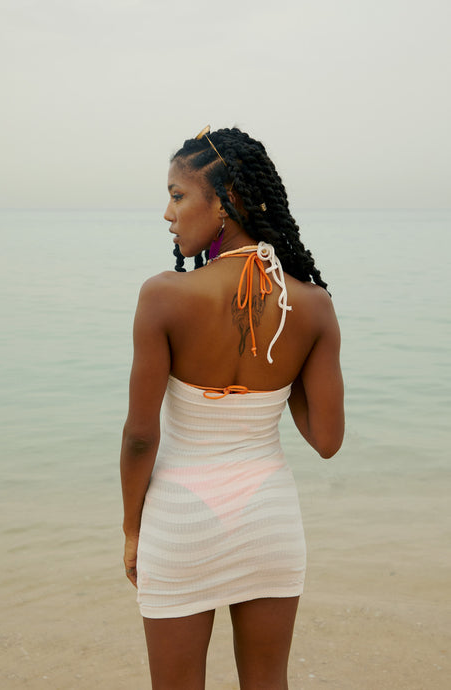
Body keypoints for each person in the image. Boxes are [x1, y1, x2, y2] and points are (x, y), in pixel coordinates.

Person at [120, 125, 344, 690]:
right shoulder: (312, 305)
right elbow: (327, 440)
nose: (168, 214)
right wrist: (278, 364)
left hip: (181, 517)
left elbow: (141, 437)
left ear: (224, 201)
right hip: (269, 517)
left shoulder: (164, 295)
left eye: (177, 195)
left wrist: (131, 530)